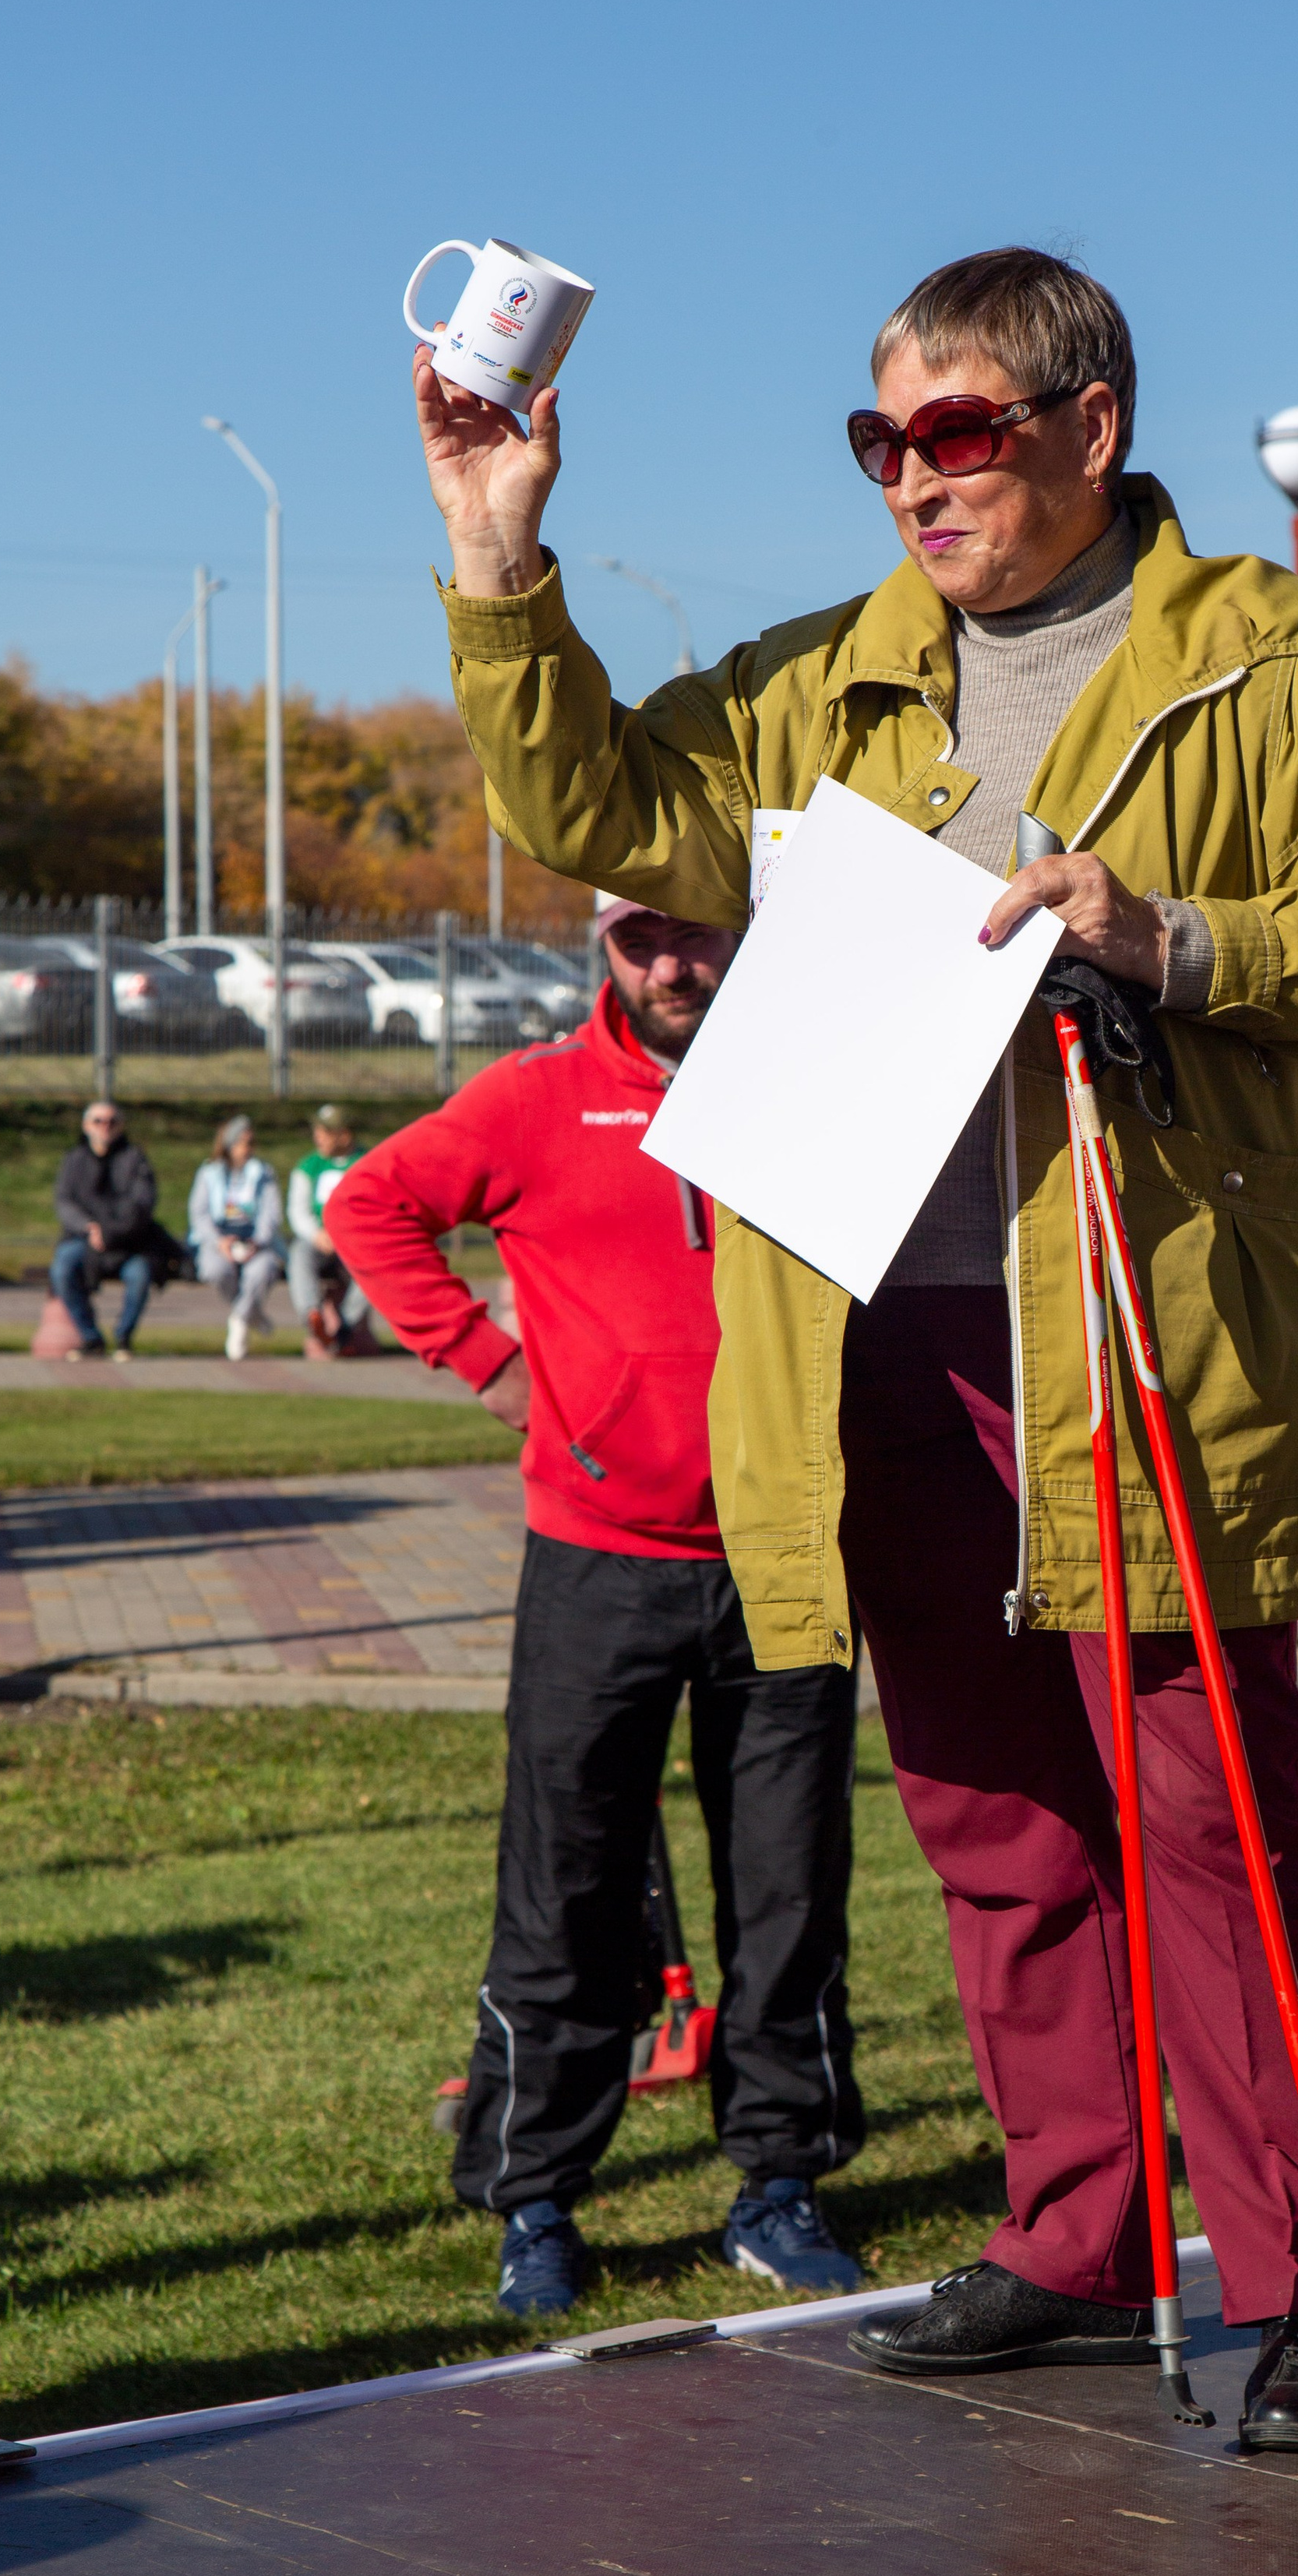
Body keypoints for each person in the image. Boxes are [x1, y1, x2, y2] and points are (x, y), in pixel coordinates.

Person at [411, 245, 1298, 2448]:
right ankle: (1079, 2236)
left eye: (958, 430)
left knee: (1209, 1815)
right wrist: (497, 555)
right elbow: (594, 813)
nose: (914, 476)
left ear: (1091, 427)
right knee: (989, 1811)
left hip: (1134, 1328)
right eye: (879, 439)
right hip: (867, 1334)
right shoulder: (819, 676)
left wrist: (1170, 935)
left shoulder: (1257, 650)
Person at [329, 896, 865, 2317]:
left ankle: (780, 2182)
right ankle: (537, 2197)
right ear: (602, 950)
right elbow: (368, 1204)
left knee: (789, 1888)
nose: (672, 966)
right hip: (598, 1557)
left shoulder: (819, 1077)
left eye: (697, 935)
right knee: (564, 1886)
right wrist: (492, 1364)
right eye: (641, 942)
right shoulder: (537, 1096)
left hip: (784, 1556)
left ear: (744, 932)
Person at [51, 1101, 179, 1360]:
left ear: (121, 1126)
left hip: (129, 1241)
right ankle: (90, 1337)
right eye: (98, 1121)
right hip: (84, 1239)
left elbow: (142, 1204)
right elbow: (64, 1202)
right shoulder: (74, 1160)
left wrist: (110, 1233)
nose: (105, 1127)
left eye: (112, 1121)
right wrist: (89, 1228)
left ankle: (123, 1337)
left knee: (140, 1275)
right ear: (86, 1126)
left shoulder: (134, 1159)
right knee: (62, 1267)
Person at [186, 1114, 284, 1359]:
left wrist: (257, 1241)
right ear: (229, 1144)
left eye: (251, 1143)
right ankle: (253, 1315)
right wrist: (219, 1242)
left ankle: (240, 1320)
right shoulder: (209, 1173)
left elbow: (271, 1214)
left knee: (263, 1270)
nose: (247, 1149)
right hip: (219, 1241)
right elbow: (199, 1214)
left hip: (255, 1241)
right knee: (215, 1270)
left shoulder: (263, 1173)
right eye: (242, 1143)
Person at [287, 1106, 372, 1355]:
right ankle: (312, 1316)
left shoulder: (368, 1163)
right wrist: (316, 1235)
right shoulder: (309, 1166)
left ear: (344, 1136)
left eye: (325, 1132)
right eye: (317, 1131)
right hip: (320, 1241)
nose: (318, 1137)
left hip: (356, 1242)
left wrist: (350, 1236)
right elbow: (297, 1211)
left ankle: (346, 1325)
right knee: (299, 1254)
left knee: (373, 1262)